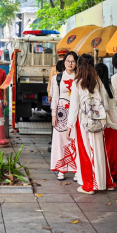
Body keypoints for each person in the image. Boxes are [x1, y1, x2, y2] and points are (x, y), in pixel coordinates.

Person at [67, 54, 117, 194]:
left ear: (79, 65)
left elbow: (74, 107)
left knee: (85, 153)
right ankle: (105, 182)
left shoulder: (77, 83)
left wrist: (69, 126)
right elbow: (106, 105)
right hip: (99, 120)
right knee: (99, 151)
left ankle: (89, 186)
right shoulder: (98, 81)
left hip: (83, 123)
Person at [50, 51, 78, 180]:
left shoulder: (80, 77)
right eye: (68, 61)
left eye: (73, 61)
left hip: (76, 113)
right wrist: (53, 115)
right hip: (61, 114)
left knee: (76, 140)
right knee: (61, 141)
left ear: (76, 63)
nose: (70, 64)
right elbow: (55, 97)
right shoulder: (57, 78)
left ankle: (77, 169)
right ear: (64, 62)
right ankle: (62, 169)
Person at [96, 63, 117, 181]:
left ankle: (107, 175)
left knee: (106, 150)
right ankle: (113, 173)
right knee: (113, 150)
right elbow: (116, 100)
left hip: (107, 123)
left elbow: (105, 107)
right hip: (116, 121)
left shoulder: (100, 86)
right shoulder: (110, 86)